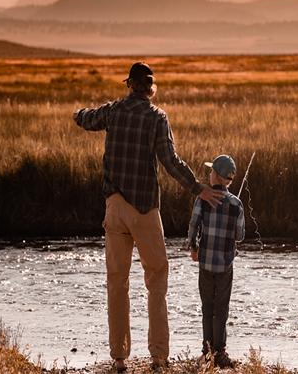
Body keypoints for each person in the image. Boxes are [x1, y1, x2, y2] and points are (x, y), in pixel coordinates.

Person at [73, 62, 223, 373]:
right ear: (151, 89)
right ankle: (158, 358)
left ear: (129, 84)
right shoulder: (157, 117)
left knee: (117, 282)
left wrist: (77, 112)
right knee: (157, 279)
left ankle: (118, 358)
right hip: (145, 210)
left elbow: (85, 118)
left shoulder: (113, 111)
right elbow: (170, 161)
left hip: (114, 208)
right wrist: (199, 189)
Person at [187, 154, 245, 368]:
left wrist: (193, 248)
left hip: (205, 264)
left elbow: (194, 225)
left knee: (207, 307)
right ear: (228, 181)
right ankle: (220, 351)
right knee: (221, 309)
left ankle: (207, 350)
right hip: (225, 265)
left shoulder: (202, 198)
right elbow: (240, 235)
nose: (209, 174)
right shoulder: (236, 204)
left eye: (211, 171)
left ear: (217, 176)